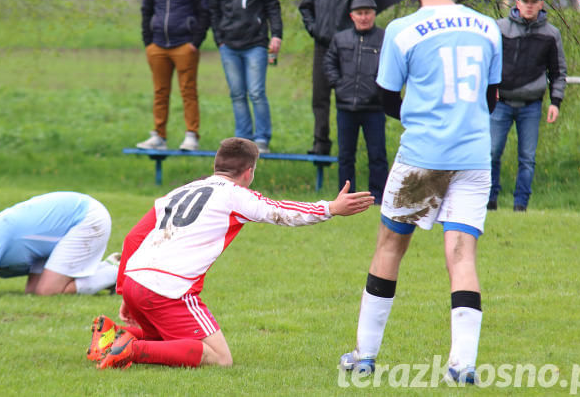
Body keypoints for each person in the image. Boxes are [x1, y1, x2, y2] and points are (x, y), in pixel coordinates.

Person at [337, 0, 502, 385]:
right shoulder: (488, 27)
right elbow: (491, 98)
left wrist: (422, 116)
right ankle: (462, 364)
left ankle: (365, 356)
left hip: (424, 158)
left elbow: (386, 97)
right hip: (473, 155)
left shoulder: (402, 30)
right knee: (462, 254)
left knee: (390, 246)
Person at [90, 138, 374, 369]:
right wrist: (330, 208)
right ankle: (130, 349)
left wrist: (125, 290)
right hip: (169, 288)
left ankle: (111, 336)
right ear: (249, 172)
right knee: (219, 358)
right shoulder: (235, 195)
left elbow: (132, 238)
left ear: (216, 165)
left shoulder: (178, 192)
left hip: (136, 279)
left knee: (163, 337)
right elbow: (280, 211)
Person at [0, 192, 119, 296]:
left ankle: (119, 273)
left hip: (85, 217)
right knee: (35, 291)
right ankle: (107, 270)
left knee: (47, 290)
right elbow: (35, 253)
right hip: (79, 214)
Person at [488, 0, 567, 212]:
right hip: (500, 103)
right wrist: (488, 88)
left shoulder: (551, 34)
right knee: (492, 153)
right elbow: (486, 62)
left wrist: (555, 102)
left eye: (534, 1)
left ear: (541, 5)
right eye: (526, 1)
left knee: (527, 159)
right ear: (517, 3)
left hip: (531, 105)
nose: (529, 5)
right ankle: (489, 201)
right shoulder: (499, 28)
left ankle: (520, 205)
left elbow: (558, 71)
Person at [208, 0, 283, 154]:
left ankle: (261, 139)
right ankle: (243, 140)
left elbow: (273, 8)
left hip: (256, 44)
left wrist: (276, 35)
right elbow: (213, 12)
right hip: (229, 46)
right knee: (237, 93)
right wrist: (219, 40)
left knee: (256, 92)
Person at [137, 0, 210, 152]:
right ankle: (159, 135)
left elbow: (204, 12)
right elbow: (146, 11)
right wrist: (148, 42)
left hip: (184, 45)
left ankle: (191, 136)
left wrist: (195, 42)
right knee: (160, 91)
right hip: (157, 45)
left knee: (188, 91)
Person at [299, 0, 369, 155]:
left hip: (346, 48)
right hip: (322, 45)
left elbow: (366, 9)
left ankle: (346, 146)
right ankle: (321, 144)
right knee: (319, 97)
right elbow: (305, 8)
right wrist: (314, 29)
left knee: (345, 96)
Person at [323, 0, 388, 201]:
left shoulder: (384, 38)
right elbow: (329, 63)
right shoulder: (340, 38)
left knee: (377, 155)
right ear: (352, 16)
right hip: (346, 107)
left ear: (374, 14)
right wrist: (339, 85)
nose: (364, 17)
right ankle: (346, 197)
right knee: (345, 156)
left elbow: (391, 68)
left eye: (368, 13)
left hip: (374, 108)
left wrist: (380, 90)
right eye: (359, 13)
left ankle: (378, 196)